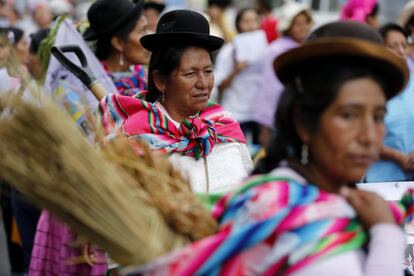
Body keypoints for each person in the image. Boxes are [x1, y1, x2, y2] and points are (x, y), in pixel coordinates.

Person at [132, 20, 410, 275]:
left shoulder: (341, 205)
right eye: (348, 115)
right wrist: (386, 235)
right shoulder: (284, 217)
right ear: (303, 121)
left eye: (378, 117)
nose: (369, 136)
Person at [100, 9, 253, 193]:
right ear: (161, 81)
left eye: (208, 71)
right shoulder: (135, 142)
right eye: (190, 74)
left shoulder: (224, 125)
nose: (203, 84)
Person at [253, 0, 312, 147]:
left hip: (295, 117)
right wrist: (266, 124)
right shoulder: (278, 51)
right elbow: (270, 90)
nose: (303, 28)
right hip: (276, 118)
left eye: (305, 23)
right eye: (298, 24)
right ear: (288, 26)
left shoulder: (304, 48)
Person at [365, 23, 414, 182]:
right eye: (393, 46)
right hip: (380, 180)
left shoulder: (413, 82)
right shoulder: (370, 87)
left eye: (404, 45)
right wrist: (396, 156)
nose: (401, 51)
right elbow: (362, 135)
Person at [214, 7, 265, 147]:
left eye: (255, 20)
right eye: (246, 21)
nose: (251, 25)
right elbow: (219, 86)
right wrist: (236, 70)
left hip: (257, 114)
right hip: (236, 113)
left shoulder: (266, 50)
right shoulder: (228, 51)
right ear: (238, 25)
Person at [84, 0, 150, 97]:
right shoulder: (94, 91)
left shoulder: (146, 77)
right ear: (118, 43)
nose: (149, 37)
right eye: (142, 31)